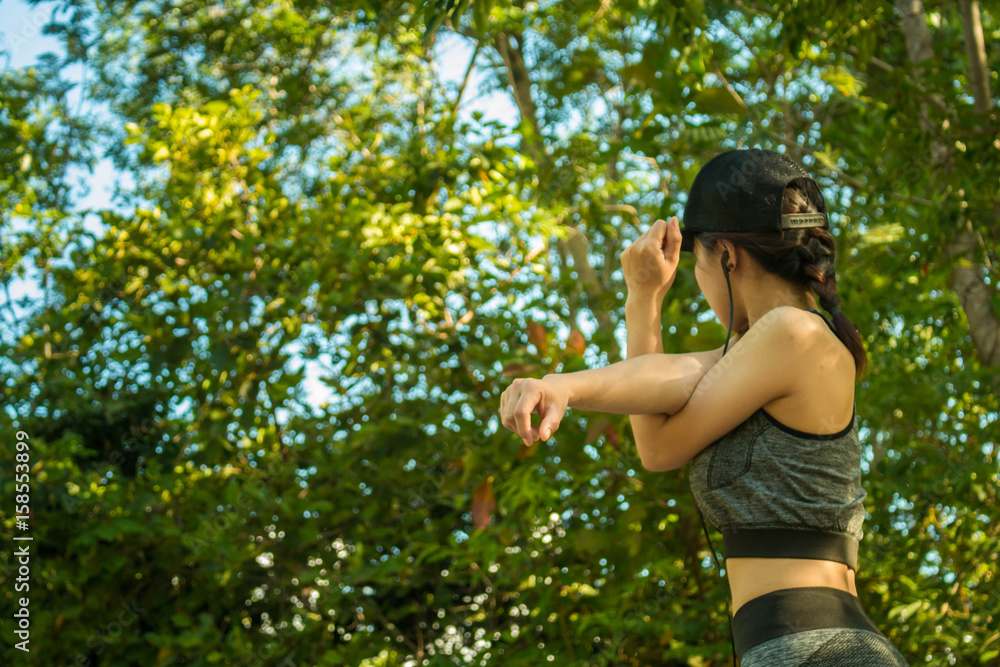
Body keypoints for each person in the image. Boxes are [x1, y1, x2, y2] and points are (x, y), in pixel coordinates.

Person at [498, 148, 910, 666]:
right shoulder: (762, 351)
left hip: (815, 644)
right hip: (798, 646)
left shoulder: (794, 333)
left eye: (698, 263)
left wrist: (564, 384)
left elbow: (659, 415)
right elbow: (657, 436)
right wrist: (640, 301)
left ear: (727, 256)